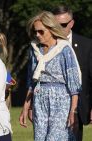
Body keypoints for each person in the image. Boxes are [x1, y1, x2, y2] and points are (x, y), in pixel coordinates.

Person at [19, 11, 81, 141]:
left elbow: (74, 84)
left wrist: (73, 112)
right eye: (35, 31)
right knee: (40, 138)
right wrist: (26, 107)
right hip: (39, 99)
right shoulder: (34, 49)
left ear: (52, 29)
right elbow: (31, 81)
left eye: (41, 31)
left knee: (55, 138)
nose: (37, 35)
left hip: (61, 101)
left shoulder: (64, 49)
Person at [52, 5, 92, 141]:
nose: (58, 29)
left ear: (72, 23)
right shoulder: (45, 45)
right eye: (54, 25)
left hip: (77, 108)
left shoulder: (86, 45)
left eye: (62, 25)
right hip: (50, 106)